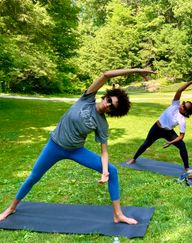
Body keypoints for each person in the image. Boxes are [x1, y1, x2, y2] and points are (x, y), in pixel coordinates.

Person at [0, 68, 155, 224]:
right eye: (109, 100)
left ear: (113, 112)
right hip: (55, 146)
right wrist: (137, 70)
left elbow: (104, 151)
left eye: (113, 107)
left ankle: (118, 215)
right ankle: (12, 207)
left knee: (113, 171)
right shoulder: (87, 98)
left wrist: (105, 172)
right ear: (106, 96)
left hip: (75, 151)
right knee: (34, 176)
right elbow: (106, 75)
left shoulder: (102, 123)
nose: (108, 105)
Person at [127, 79, 192, 172]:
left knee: (182, 146)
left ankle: (186, 167)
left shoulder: (182, 120)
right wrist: (190, 82)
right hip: (157, 127)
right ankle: (134, 159)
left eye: (184, 105)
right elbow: (179, 91)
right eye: (184, 102)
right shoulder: (175, 104)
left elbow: (181, 136)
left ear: (185, 111)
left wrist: (171, 142)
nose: (182, 104)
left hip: (168, 132)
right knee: (146, 143)